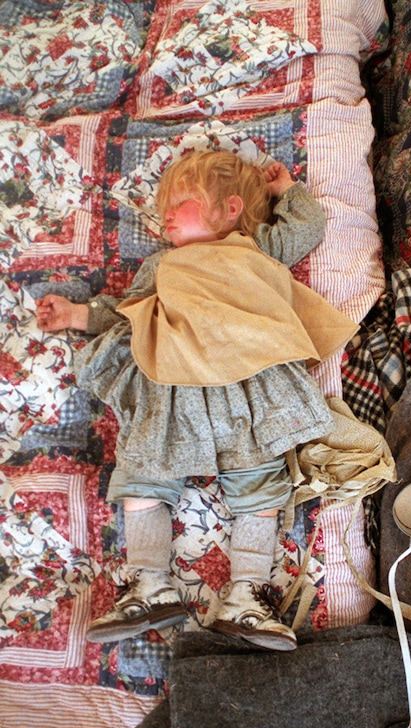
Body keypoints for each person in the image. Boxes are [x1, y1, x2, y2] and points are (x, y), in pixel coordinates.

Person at [36, 150, 357, 652]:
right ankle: (149, 583)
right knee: (142, 471)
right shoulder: (162, 264)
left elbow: (306, 228)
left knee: (260, 487)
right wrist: (77, 315)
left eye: (181, 202)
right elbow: (130, 315)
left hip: (244, 390)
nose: (165, 213)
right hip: (172, 390)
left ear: (230, 210)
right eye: (164, 205)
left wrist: (285, 192)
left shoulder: (254, 247)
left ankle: (246, 595)